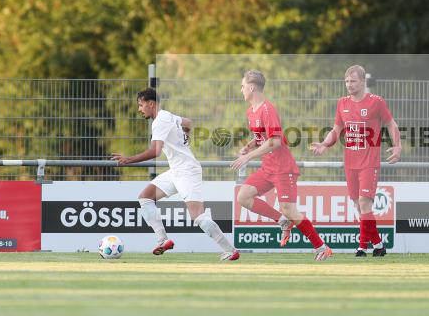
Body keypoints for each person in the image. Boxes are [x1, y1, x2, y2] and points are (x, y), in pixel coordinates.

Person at [112, 88, 240, 261]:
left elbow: (155, 151)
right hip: (176, 171)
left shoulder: (159, 121)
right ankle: (163, 240)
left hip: (187, 171)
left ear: (151, 104)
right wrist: (184, 137)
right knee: (145, 197)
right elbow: (188, 122)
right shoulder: (167, 115)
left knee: (198, 217)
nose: (139, 109)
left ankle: (230, 250)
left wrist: (129, 159)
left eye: (141, 105)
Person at [230, 70, 332, 261]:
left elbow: (275, 141)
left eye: (243, 86)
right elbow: (261, 137)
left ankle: (321, 247)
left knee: (289, 209)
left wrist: (248, 157)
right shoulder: (251, 111)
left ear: (252, 87)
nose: (241, 89)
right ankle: (283, 221)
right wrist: (249, 146)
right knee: (243, 197)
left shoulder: (268, 109)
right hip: (267, 168)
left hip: (283, 169)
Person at [310, 65, 401, 257]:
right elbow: (336, 130)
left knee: (364, 203)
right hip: (350, 163)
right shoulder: (342, 103)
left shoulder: (376, 102)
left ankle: (361, 247)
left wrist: (397, 146)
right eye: (347, 81)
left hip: (369, 162)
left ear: (362, 81)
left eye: (353, 81)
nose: (349, 85)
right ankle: (378, 244)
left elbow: (391, 124)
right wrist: (325, 144)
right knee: (359, 206)